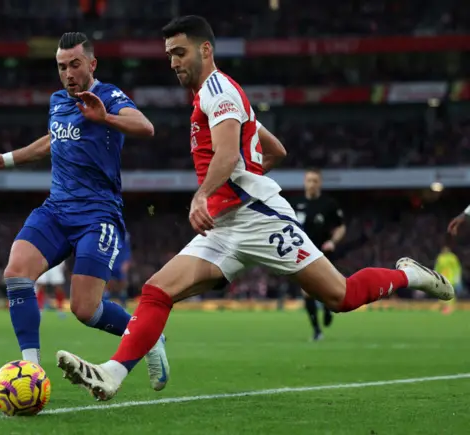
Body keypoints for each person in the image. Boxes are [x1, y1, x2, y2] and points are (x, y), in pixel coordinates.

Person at [55, 16, 454, 401]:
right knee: (157, 291)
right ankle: (112, 373)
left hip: (258, 219)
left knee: (341, 296)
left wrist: (208, 193)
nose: (173, 62)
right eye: (169, 55)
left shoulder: (218, 91)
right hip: (225, 225)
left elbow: (227, 155)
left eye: (179, 52)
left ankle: (407, 274)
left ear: (205, 49)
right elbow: (274, 149)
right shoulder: (213, 95)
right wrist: (239, 177)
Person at [0, 32, 170, 391]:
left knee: (84, 309)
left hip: (97, 215)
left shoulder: (107, 96)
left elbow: (146, 126)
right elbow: (53, 139)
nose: (68, 73)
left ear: (91, 65)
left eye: (75, 65)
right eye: (62, 66)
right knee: (16, 272)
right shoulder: (57, 101)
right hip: (56, 210)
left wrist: (104, 118)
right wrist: (4, 159)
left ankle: (148, 336)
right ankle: (30, 373)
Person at [289, 168, 346, 341]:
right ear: (305, 182)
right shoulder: (295, 203)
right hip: (302, 254)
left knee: (326, 289)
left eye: (315, 181)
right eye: (309, 180)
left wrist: (333, 242)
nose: (312, 184)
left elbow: (341, 226)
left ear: (319, 183)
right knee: (307, 291)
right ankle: (316, 330)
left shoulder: (328, 204)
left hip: (323, 253)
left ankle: (328, 310)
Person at [105, 231, 132, 308]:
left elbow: (127, 249)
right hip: (109, 261)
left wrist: (126, 261)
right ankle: (106, 305)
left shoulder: (124, 233)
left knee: (122, 284)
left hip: (120, 262)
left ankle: (124, 305)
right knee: (107, 284)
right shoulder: (107, 231)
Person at [434, 245, 462, 314]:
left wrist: (457, 277)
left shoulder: (452, 257)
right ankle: (444, 307)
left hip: (450, 278)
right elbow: (437, 267)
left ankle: (449, 307)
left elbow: (457, 268)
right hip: (442, 277)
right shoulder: (440, 257)